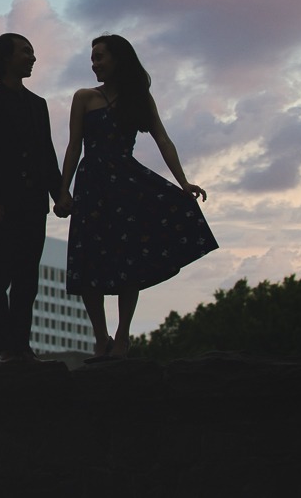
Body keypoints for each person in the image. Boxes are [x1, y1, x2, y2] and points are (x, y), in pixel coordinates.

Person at [56, 34, 217, 360]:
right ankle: (100, 339)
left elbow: (163, 139)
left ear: (118, 59)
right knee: (89, 261)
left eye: (100, 57)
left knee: (129, 258)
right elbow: (74, 146)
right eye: (93, 58)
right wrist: (63, 192)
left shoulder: (139, 99)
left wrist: (183, 183)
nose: (94, 63)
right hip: (91, 184)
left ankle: (123, 336)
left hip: (126, 183)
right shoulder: (84, 97)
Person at [0, 33, 71, 363]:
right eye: (26, 51)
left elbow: (47, 156)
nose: (32, 57)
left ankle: (22, 344)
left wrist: (59, 194)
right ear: (5, 58)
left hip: (33, 204)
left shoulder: (38, 105)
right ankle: (2, 346)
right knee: (1, 276)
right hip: (4, 205)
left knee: (28, 276)